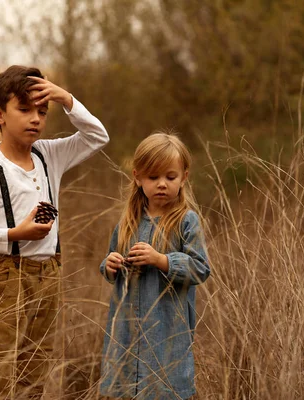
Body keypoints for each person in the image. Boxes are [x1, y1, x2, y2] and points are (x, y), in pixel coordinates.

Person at [0, 65, 109, 399]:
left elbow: (98, 136)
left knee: (35, 370)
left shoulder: (48, 155)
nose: (35, 119)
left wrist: (66, 99)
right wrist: (14, 233)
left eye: (42, 111)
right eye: (24, 110)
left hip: (49, 273)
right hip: (5, 275)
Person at [99, 132, 210, 400]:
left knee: (163, 389)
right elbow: (110, 263)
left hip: (167, 330)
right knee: (125, 389)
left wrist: (161, 260)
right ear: (137, 178)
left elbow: (200, 268)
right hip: (127, 329)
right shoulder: (128, 222)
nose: (162, 184)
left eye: (170, 177)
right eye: (153, 177)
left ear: (184, 177)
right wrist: (110, 264)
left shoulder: (187, 221)